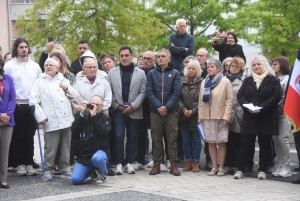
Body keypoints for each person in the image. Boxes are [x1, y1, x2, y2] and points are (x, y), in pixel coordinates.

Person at [234, 55, 282, 180]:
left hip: (266, 116)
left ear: (264, 65)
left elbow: (277, 95)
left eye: (258, 64)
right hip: (250, 116)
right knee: (245, 144)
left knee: (265, 145)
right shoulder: (248, 80)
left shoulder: (273, 80)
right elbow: (240, 95)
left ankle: (262, 170)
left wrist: (262, 107)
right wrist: (247, 107)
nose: (256, 67)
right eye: (254, 65)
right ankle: (240, 170)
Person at [30, 58, 76, 180]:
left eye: (51, 65)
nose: (48, 67)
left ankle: (65, 169)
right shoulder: (40, 82)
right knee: (50, 147)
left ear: (57, 68)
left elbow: (75, 95)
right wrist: (40, 117)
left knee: (66, 146)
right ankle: (48, 170)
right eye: (46, 65)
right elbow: (33, 101)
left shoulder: (63, 79)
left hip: (66, 119)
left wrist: (67, 87)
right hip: (50, 120)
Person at [4, 38, 42, 176]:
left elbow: (39, 84)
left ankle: (29, 163)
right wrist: (12, 101)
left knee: (29, 136)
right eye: (21, 47)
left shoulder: (35, 66)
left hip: (32, 104)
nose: (24, 49)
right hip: (18, 105)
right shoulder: (9, 66)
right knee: (18, 135)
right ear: (16, 49)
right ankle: (20, 164)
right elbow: (6, 85)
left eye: (26, 47)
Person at [107, 46, 146, 175]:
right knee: (118, 136)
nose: (124, 58)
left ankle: (128, 162)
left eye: (126, 55)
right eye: (122, 55)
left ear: (131, 56)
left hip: (134, 110)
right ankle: (118, 163)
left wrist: (133, 106)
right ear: (119, 57)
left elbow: (143, 91)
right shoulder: (112, 73)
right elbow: (109, 92)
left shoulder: (140, 73)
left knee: (132, 137)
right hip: (118, 110)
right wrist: (117, 105)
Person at [146, 49, 181, 176]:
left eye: (163, 56)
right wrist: (159, 107)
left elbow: (176, 92)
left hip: (171, 112)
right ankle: (157, 164)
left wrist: (167, 107)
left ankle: (173, 164)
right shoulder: (151, 74)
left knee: (172, 139)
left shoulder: (175, 73)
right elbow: (149, 92)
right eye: (159, 56)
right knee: (156, 139)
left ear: (169, 59)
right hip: (155, 112)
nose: (160, 58)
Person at [198, 58, 232, 176]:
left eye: (212, 66)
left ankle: (222, 167)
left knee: (221, 142)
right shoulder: (204, 82)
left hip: (221, 116)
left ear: (218, 68)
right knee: (211, 142)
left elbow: (229, 100)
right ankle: (214, 166)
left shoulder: (225, 81)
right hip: (207, 116)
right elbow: (201, 101)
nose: (209, 69)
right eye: (208, 67)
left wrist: (227, 116)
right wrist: (200, 116)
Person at [71, 96, 111, 185]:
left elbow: (103, 132)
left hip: (100, 151)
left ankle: (102, 173)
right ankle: (91, 170)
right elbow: (74, 129)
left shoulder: (106, 119)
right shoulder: (84, 117)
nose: (95, 107)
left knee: (97, 158)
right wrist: (81, 113)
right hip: (85, 154)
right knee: (75, 180)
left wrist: (94, 116)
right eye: (93, 105)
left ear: (102, 106)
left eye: (97, 105)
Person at [178, 60, 202, 172]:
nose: (190, 71)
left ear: (198, 70)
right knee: (185, 140)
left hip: (196, 116)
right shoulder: (180, 81)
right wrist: (183, 110)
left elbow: (203, 101)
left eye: (193, 68)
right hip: (183, 116)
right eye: (189, 68)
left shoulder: (202, 83)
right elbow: (177, 98)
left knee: (196, 140)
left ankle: (196, 161)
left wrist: (193, 111)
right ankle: (188, 161)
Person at [133, 51, 155, 170]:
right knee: (140, 135)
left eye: (148, 59)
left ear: (154, 61)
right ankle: (140, 160)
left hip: (154, 108)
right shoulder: (137, 72)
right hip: (140, 108)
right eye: (144, 58)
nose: (145, 61)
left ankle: (158, 160)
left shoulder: (157, 72)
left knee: (156, 135)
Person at [270, 56, 292, 177]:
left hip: (284, 114)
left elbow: (283, 97)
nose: (273, 66)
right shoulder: (273, 79)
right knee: (276, 140)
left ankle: (286, 166)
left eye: (275, 64)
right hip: (273, 115)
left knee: (283, 139)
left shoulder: (287, 79)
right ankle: (278, 164)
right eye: (272, 64)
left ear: (282, 65)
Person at [224, 57, 245, 174]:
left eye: (237, 66)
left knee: (239, 140)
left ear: (241, 68)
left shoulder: (244, 80)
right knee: (228, 141)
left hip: (238, 112)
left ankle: (240, 165)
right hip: (226, 112)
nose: (234, 68)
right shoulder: (224, 79)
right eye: (232, 66)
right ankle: (229, 164)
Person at [0, 55, 16, 189]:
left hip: (8, 121)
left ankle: (3, 179)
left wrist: (6, 116)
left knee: (4, 151)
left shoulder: (8, 79)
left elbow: (12, 98)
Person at [196, 48, 211, 169]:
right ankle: (192, 160)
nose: (199, 57)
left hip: (206, 107)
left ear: (206, 57)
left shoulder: (209, 71)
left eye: (202, 55)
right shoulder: (193, 68)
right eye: (198, 55)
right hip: (193, 105)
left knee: (208, 136)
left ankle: (209, 160)